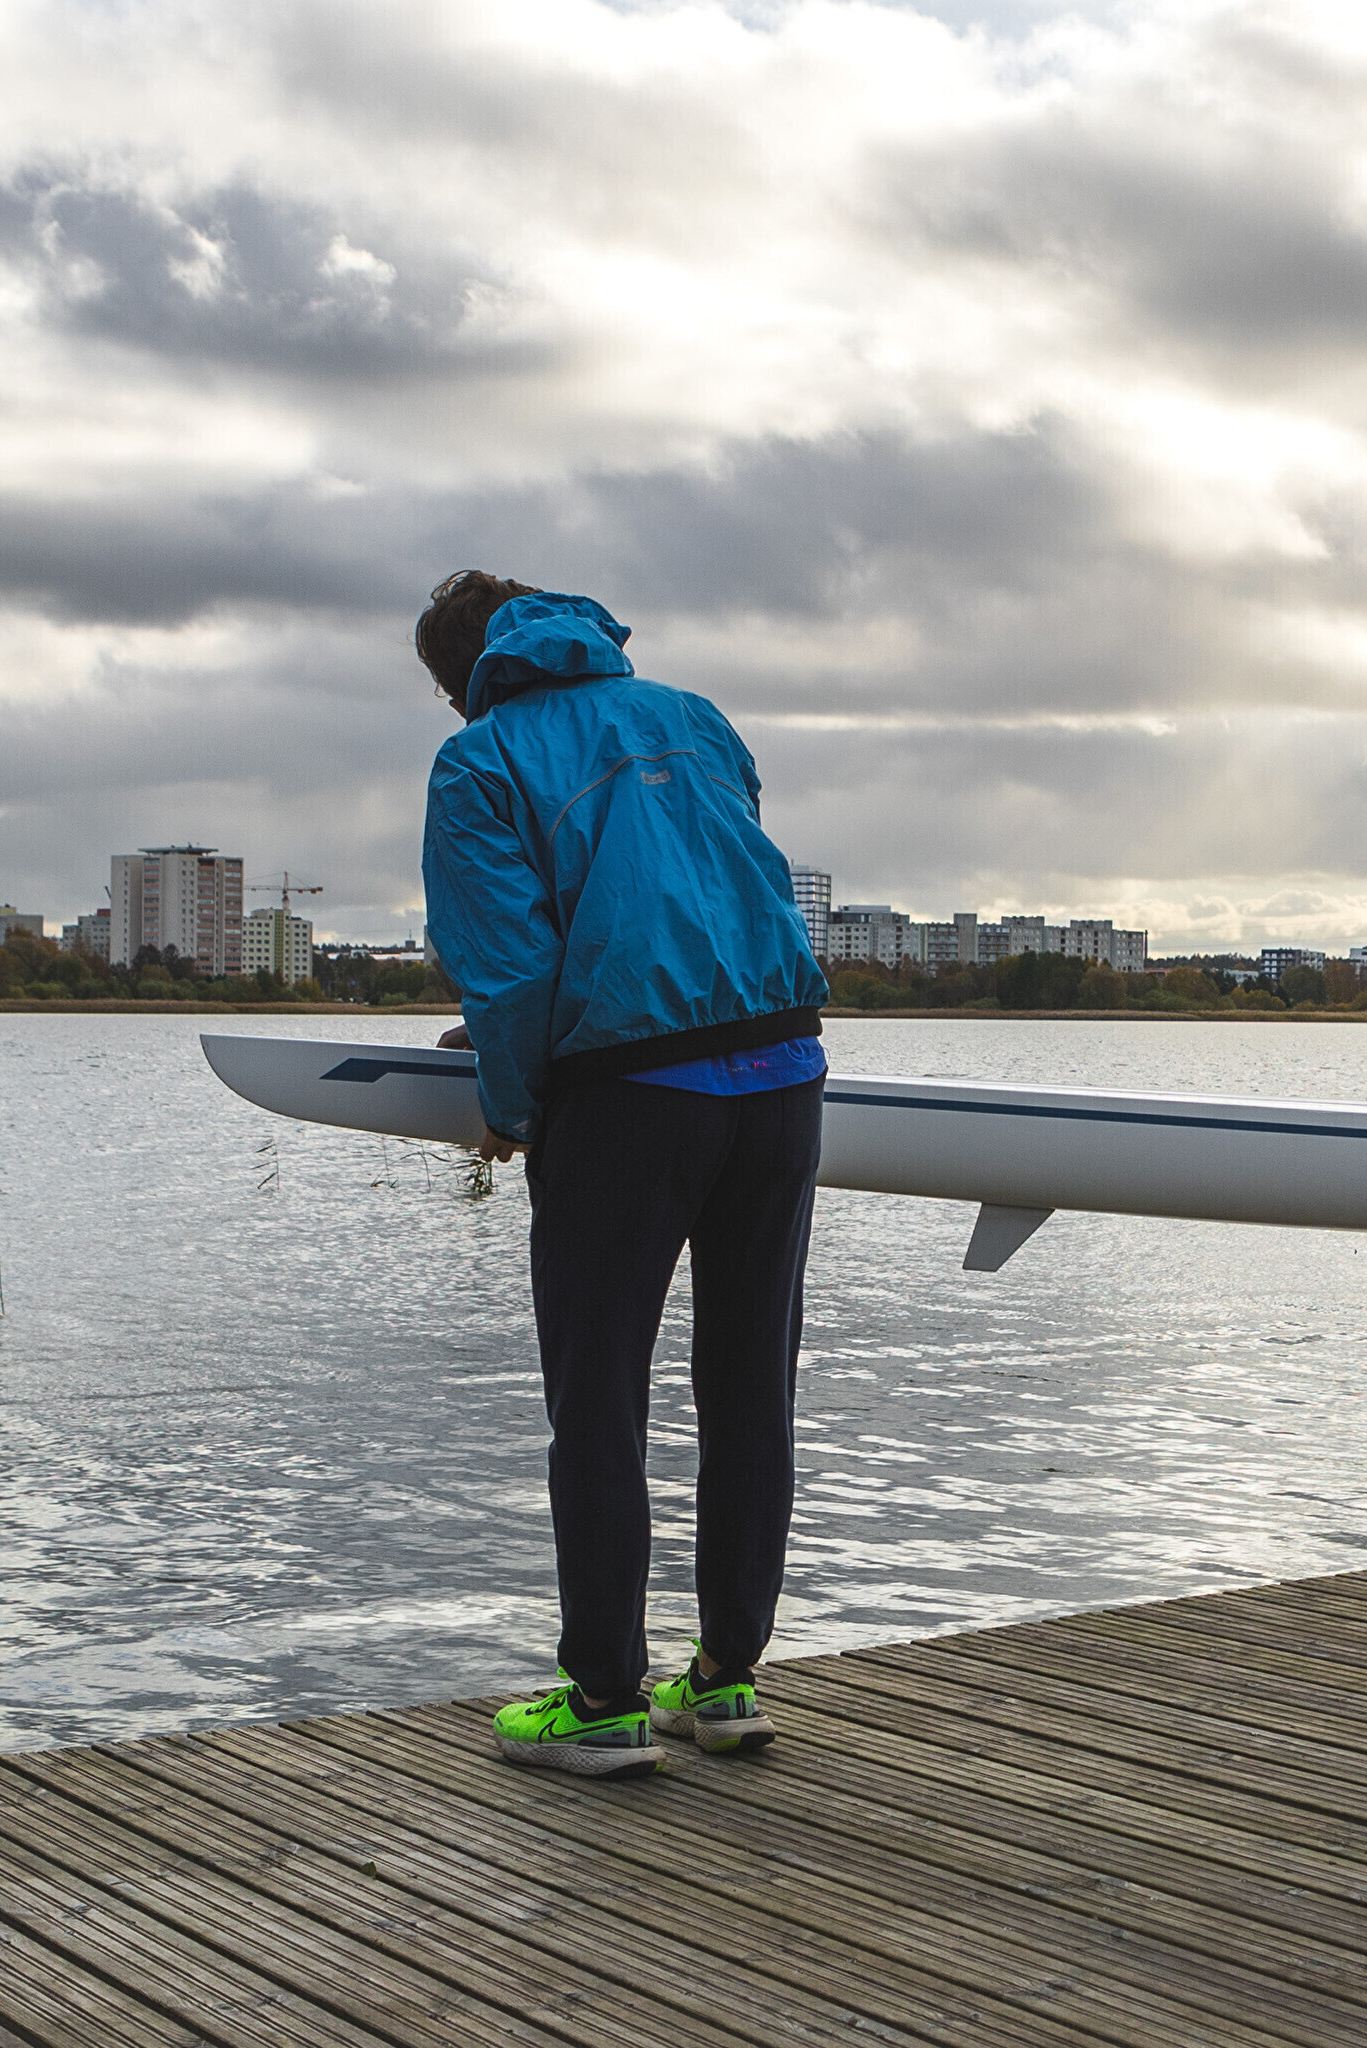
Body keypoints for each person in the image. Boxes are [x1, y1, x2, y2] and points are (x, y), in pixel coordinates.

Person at [413, 571, 832, 1777]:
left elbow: (509, 967)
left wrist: (510, 1102)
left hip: (628, 1092)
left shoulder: (479, 758)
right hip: (782, 1070)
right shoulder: (694, 716)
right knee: (750, 1385)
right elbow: (702, 890)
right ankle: (727, 1678)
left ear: (461, 679)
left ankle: (602, 1696)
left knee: (598, 1397)